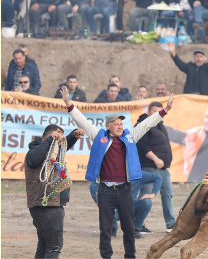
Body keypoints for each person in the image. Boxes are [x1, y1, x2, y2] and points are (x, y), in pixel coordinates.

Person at [60, 85, 174, 259]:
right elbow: (82, 121)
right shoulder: (99, 136)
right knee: (105, 229)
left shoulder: (130, 136)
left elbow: (147, 123)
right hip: (105, 190)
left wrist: (165, 110)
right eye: (116, 124)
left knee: (128, 228)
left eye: (121, 124)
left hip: (125, 190)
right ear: (108, 126)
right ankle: (106, 256)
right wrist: (68, 103)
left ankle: (130, 256)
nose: (120, 126)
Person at [25, 125, 83, 259]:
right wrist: (50, 139)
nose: (60, 141)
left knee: (44, 246)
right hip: (45, 204)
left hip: (51, 204)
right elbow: (35, 158)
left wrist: (73, 136)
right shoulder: (35, 151)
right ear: (51, 135)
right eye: (58, 137)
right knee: (53, 248)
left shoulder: (52, 150)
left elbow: (60, 147)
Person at [135, 101, 176, 232]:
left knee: (168, 194)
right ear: (148, 112)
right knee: (145, 196)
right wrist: (156, 159)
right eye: (154, 111)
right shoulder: (143, 125)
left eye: (160, 111)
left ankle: (171, 224)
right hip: (149, 167)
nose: (158, 114)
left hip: (163, 169)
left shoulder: (160, 125)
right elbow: (142, 146)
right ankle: (138, 225)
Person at [166, 102, 208, 182]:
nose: (207, 120)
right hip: (195, 184)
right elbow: (173, 134)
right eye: (206, 117)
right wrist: (153, 122)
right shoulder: (196, 135)